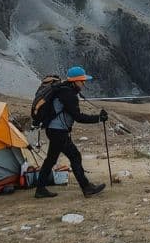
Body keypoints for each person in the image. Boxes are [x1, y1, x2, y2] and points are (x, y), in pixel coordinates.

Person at [35, 66, 108, 198]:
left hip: (53, 130)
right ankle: (86, 188)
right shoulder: (68, 94)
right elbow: (78, 117)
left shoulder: (64, 90)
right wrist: (98, 118)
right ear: (75, 81)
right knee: (75, 156)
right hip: (58, 132)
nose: (84, 83)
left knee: (51, 159)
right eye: (82, 81)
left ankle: (40, 189)